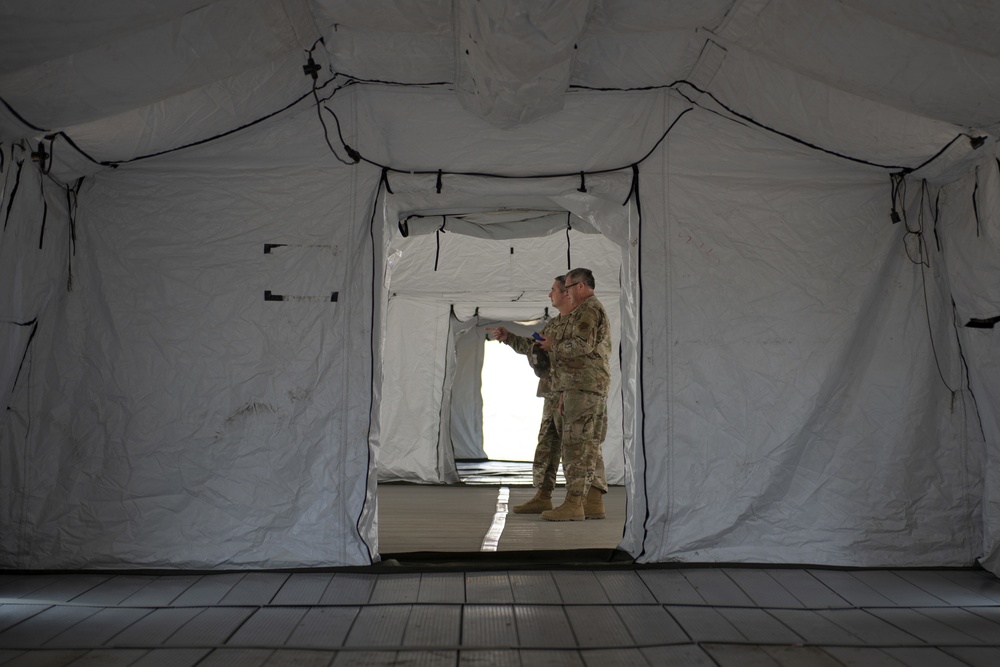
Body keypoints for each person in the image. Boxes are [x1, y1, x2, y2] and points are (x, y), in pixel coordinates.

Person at [485, 276, 571, 514]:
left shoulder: (578, 323)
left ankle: (583, 500)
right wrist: (508, 337)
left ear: (567, 293)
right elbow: (535, 346)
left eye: (553, 290)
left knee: (577, 449)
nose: (549, 294)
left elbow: (583, 357)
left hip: (572, 395)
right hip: (552, 395)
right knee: (547, 446)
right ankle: (543, 496)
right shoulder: (554, 324)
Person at [536, 267, 611, 521]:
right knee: (583, 445)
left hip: (585, 386)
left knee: (577, 447)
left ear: (581, 286)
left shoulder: (590, 309)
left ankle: (574, 504)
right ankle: (589, 503)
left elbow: (582, 345)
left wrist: (552, 345)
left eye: (567, 287)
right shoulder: (585, 310)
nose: (565, 292)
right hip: (578, 387)